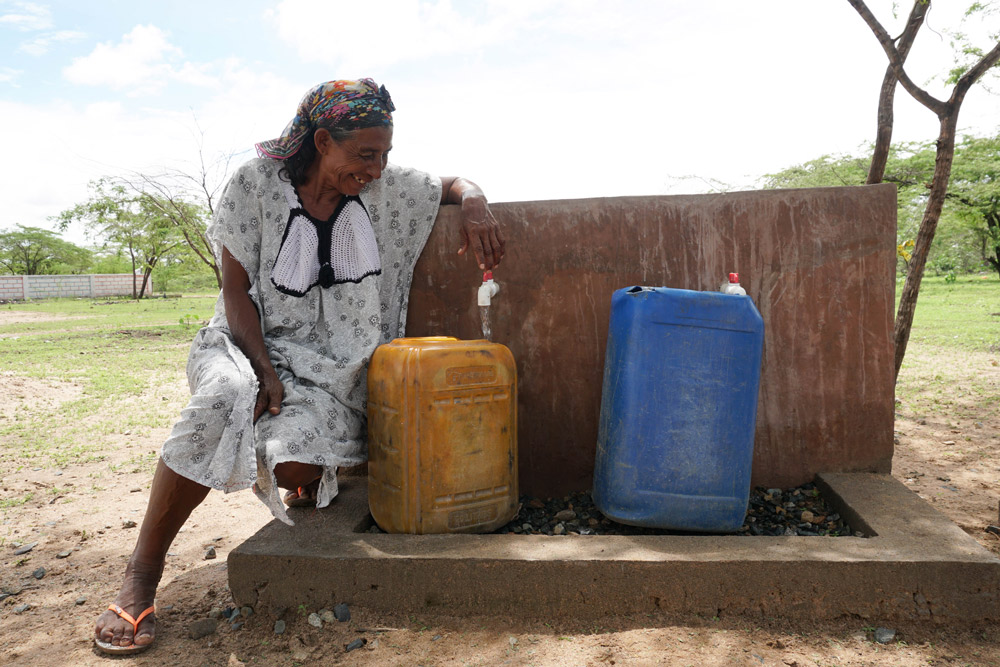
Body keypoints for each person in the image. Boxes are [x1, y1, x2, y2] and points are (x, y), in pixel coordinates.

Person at [94, 78, 505, 654]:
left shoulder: (384, 189)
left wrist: (476, 199)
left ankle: (301, 480)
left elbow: (451, 182)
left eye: (385, 153)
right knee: (221, 400)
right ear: (321, 141)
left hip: (333, 365)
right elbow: (235, 292)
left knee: (293, 466)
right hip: (243, 342)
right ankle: (141, 575)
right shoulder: (254, 183)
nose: (379, 168)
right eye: (365, 154)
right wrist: (262, 368)